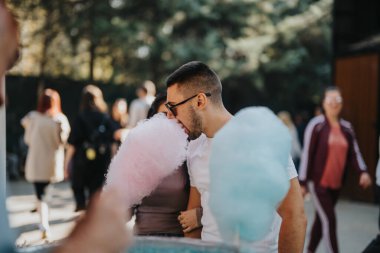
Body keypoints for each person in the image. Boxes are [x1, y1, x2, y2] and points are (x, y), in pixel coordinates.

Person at [0, 2, 129, 252]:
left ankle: (46, 219)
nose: (3, 95)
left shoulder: (35, 118)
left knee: (43, 196)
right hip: (73, 163)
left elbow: (62, 141)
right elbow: (68, 139)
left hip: (49, 163)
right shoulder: (73, 118)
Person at [165, 61, 307, 252]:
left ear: (200, 101)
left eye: (173, 108)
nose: (170, 117)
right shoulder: (194, 150)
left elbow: (294, 216)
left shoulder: (260, 139)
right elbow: (193, 222)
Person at [299, 86, 372, 253]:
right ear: (323, 103)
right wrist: (302, 182)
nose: (334, 103)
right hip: (317, 184)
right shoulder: (315, 125)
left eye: (337, 100)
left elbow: (355, 153)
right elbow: (307, 155)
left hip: (336, 184)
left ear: (341, 103)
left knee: (321, 219)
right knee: (329, 220)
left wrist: (363, 172)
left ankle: (309, 250)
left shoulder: (347, 128)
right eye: (330, 99)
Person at [129, 93, 197, 237]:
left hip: (178, 240)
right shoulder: (139, 153)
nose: (170, 120)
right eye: (164, 115)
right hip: (142, 240)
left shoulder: (192, 151)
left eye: (174, 115)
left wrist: (199, 215)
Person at [21, 88, 70, 239]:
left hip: (35, 162)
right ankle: (44, 220)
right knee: (45, 194)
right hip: (52, 164)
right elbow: (63, 141)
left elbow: (26, 134)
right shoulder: (59, 119)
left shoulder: (33, 117)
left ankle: (44, 223)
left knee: (40, 194)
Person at [66, 85, 115, 212]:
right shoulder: (105, 118)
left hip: (82, 160)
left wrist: (66, 163)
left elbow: (72, 143)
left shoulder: (80, 118)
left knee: (79, 187)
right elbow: (113, 139)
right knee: (96, 190)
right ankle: (93, 216)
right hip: (101, 158)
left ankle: (81, 209)